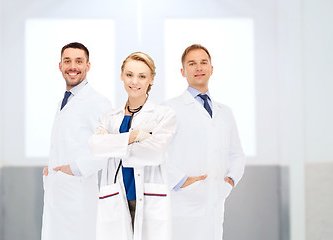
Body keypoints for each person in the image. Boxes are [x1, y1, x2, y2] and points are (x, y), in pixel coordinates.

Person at [89, 52, 176, 240]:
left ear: (151, 79)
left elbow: (155, 153)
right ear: (121, 75)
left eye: (142, 76)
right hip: (116, 195)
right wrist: (136, 136)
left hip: (147, 195)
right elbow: (96, 147)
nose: (134, 81)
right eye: (129, 75)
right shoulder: (108, 117)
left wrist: (112, 143)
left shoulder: (163, 115)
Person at [164, 44, 245, 240]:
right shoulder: (169, 108)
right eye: (192, 63)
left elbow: (237, 153)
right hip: (183, 203)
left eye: (203, 62)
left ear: (211, 69)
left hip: (215, 202)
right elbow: (157, 153)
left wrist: (230, 180)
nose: (198, 67)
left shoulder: (225, 112)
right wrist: (182, 181)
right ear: (183, 71)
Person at [41, 42, 111, 240]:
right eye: (67, 61)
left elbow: (108, 149)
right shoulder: (66, 99)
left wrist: (75, 168)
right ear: (60, 66)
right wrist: (52, 168)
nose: (73, 66)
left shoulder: (97, 102)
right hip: (59, 191)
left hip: (77, 195)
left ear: (87, 66)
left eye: (78, 61)